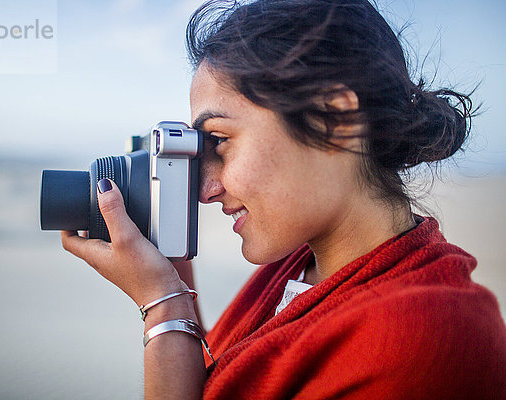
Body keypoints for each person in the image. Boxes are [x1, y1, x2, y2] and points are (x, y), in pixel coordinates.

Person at [60, 0, 506, 398]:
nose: (202, 189)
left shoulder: (425, 337)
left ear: (334, 121)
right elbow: (237, 375)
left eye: (218, 140)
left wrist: (162, 304)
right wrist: (173, 278)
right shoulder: (301, 264)